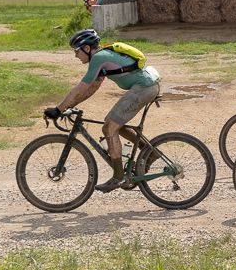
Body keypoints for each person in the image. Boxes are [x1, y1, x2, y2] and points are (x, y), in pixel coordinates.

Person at [43, 29, 161, 192]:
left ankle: (118, 177)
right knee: (114, 124)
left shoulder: (98, 58)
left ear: (86, 48)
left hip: (143, 87)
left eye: (76, 51)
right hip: (146, 86)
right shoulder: (102, 58)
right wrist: (69, 106)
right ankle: (150, 153)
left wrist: (58, 109)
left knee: (109, 127)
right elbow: (92, 88)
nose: (76, 56)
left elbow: (80, 87)